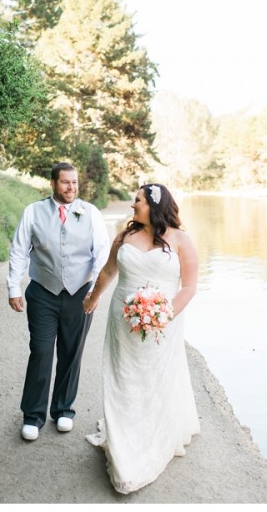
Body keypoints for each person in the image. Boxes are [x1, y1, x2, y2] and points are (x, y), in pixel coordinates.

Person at [83, 183, 200, 494]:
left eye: (138, 200)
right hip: (122, 320)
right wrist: (93, 298)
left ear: (154, 206)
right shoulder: (124, 235)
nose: (133, 204)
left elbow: (188, 287)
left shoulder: (181, 240)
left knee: (153, 382)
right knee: (122, 379)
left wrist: (164, 316)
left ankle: (149, 444)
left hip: (163, 324)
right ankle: (122, 453)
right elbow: (109, 271)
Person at [8, 162, 110, 441]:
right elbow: (19, 250)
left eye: (75, 183)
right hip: (43, 292)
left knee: (71, 352)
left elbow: (102, 254)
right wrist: (13, 287)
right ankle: (33, 415)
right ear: (53, 183)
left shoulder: (91, 213)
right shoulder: (33, 212)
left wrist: (95, 292)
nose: (71, 188)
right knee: (40, 351)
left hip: (80, 294)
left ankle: (64, 409)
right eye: (65, 182)